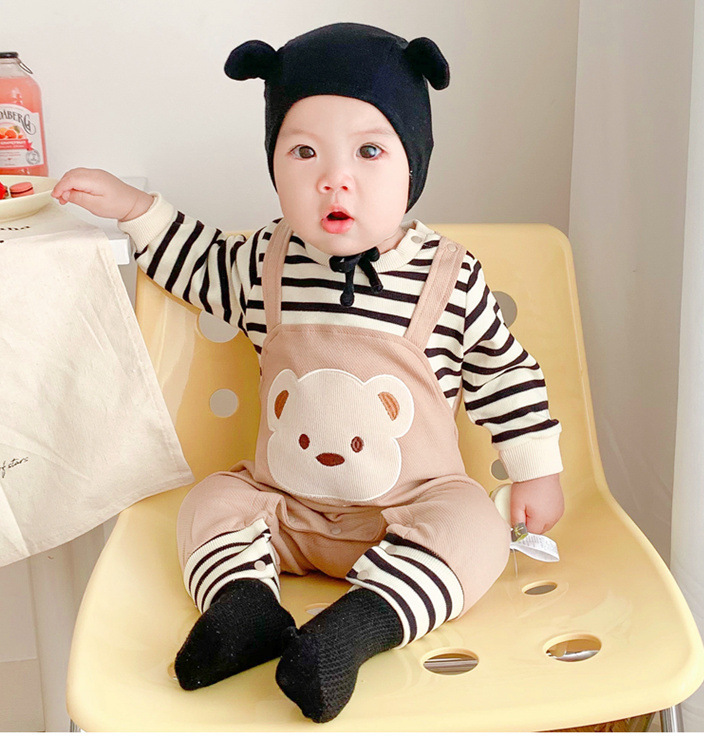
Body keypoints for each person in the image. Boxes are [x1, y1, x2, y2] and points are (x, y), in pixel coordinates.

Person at [52, 22, 565, 723]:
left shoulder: (448, 277)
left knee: (475, 526)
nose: (335, 177)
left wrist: (536, 469)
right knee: (208, 502)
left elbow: (504, 373)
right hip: (284, 512)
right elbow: (194, 259)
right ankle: (245, 607)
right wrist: (136, 209)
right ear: (275, 164)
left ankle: (358, 627)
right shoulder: (263, 261)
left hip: (407, 516)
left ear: (413, 164)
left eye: (370, 150)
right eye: (303, 151)